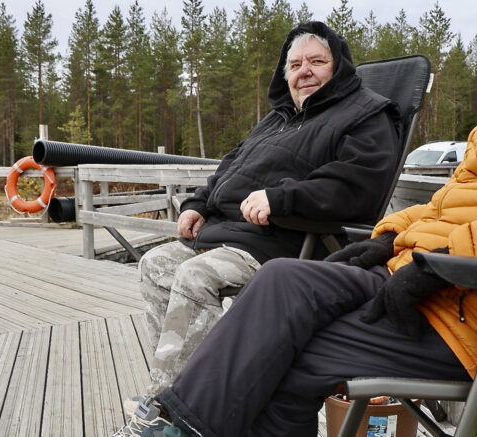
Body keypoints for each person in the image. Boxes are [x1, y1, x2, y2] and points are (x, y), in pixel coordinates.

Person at [115, 0, 477, 435]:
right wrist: (386, 237)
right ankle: (182, 418)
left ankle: (183, 427)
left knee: (288, 359)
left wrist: (447, 258)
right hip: (429, 285)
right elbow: (444, 205)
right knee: (283, 282)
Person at [135, 21, 401, 396]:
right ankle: (172, 391)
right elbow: (231, 166)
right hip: (231, 232)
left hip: (291, 241)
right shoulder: (278, 118)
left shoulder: (366, 114)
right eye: (294, 65)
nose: (303, 71)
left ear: (338, 65)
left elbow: (359, 186)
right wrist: (197, 203)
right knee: (154, 264)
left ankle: (187, 405)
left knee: (195, 277)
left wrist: (280, 198)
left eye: (316, 61)